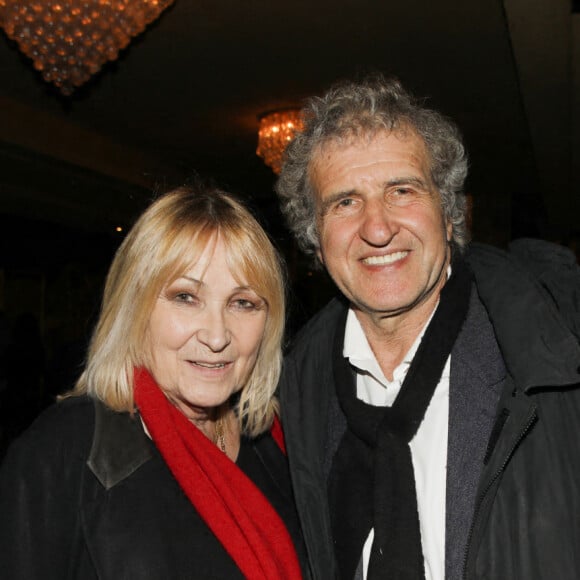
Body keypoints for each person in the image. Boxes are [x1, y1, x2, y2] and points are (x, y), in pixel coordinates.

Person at [275, 75, 580, 580]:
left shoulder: (557, 349)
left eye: (401, 190)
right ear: (315, 235)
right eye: (345, 202)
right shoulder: (290, 390)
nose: (377, 228)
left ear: (449, 209)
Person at [0, 186, 307, 579]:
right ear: (135, 307)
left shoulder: (279, 444)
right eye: (185, 297)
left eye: (242, 303)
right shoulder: (63, 452)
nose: (217, 336)